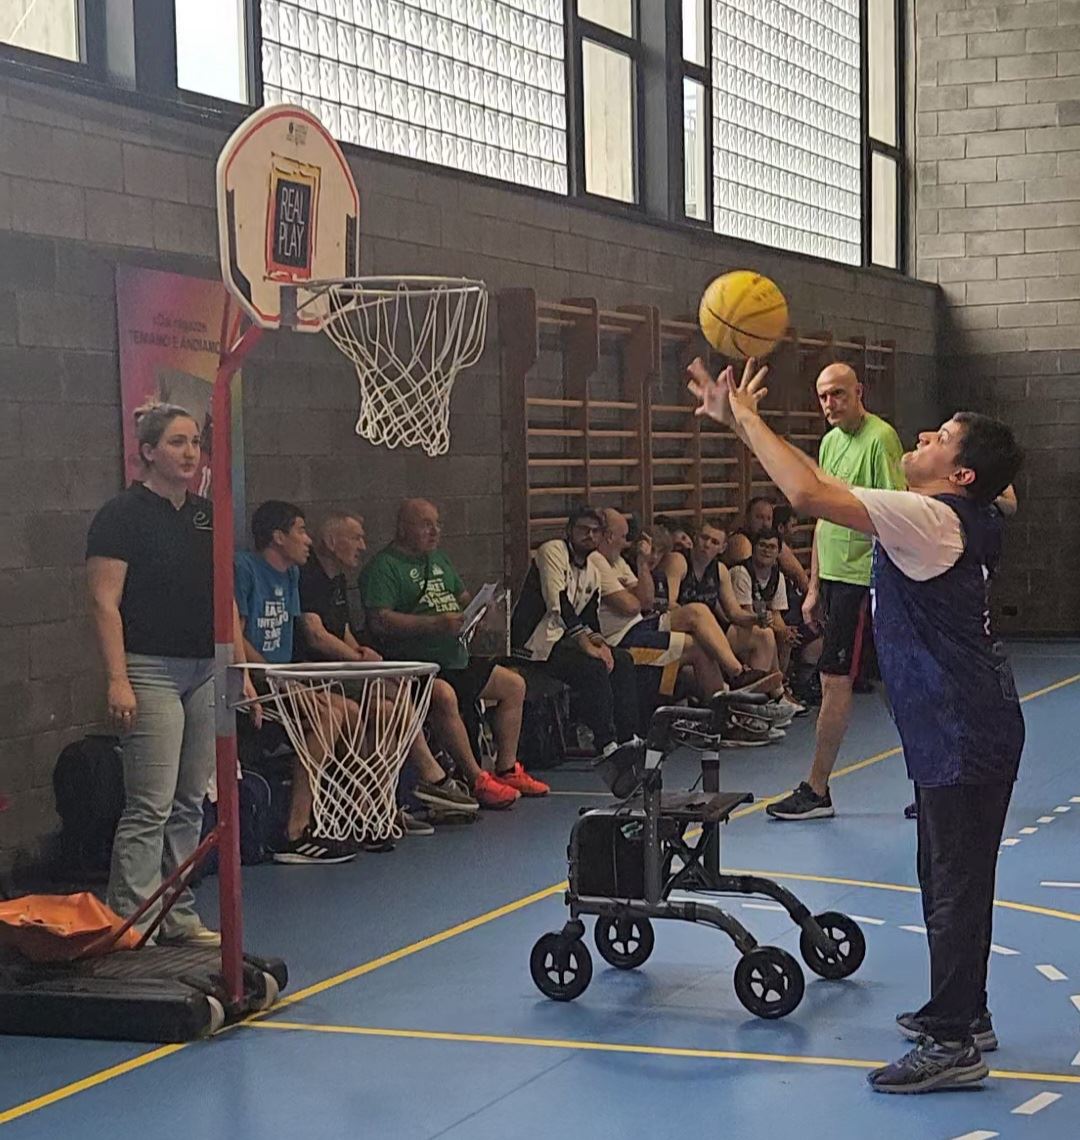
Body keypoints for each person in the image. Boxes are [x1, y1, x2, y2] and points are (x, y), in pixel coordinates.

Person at [689, 354, 1024, 1094]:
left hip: (963, 726)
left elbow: (806, 491)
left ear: (960, 476)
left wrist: (742, 414)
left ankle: (953, 1041)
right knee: (945, 875)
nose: (926, 436)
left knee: (955, 883)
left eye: (941, 438)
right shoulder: (960, 511)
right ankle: (966, 1015)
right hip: (960, 720)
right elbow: (1000, 497)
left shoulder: (930, 517)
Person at [87, 402, 257, 945]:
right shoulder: (121, 516)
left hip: (207, 669)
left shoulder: (207, 515)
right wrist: (118, 678)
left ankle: (176, 911)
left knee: (189, 802)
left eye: (194, 443)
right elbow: (104, 602)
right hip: (151, 671)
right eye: (178, 443)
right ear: (148, 452)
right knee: (151, 802)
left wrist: (239, 668)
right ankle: (131, 916)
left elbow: (222, 594)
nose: (190, 453)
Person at [765, 363, 906, 821]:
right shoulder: (829, 442)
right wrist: (812, 586)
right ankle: (937, 778)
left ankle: (817, 789)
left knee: (835, 679)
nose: (830, 404)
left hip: (865, 580)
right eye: (823, 396)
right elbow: (826, 514)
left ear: (859, 392)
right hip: (837, 581)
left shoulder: (880, 438)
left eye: (838, 394)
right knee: (892, 685)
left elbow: (893, 511)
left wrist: (885, 582)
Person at [296, 512, 479, 829]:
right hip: (316, 673)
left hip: (341, 670)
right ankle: (429, 772)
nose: (363, 546)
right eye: (356, 538)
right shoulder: (308, 577)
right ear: (330, 542)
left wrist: (358, 650)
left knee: (384, 712)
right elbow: (316, 635)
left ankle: (379, 808)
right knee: (391, 689)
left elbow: (340, 630)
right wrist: (359, 661)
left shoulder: (336, 579)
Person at [361, 499, 545, 807]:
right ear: (403, 528)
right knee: (444, 695)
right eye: (425, 524)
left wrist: (483, 613)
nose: (434, 531)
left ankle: (507, 767)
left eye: (437, 524)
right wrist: (435, 624)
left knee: (514, 685)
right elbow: (381, 621)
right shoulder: (384, 567)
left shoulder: (440, 560)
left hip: (455, 656)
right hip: (417, 665)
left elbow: (463, 598)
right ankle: (475, 777)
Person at [236, 500, 360, 863]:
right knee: (327, 718)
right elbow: (236, 637)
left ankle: (343, 811)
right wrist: (272, 678)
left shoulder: (291, 576)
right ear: (278, 537)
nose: (308, 540)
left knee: (349, 711)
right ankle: (295, 831)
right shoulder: (245, 568)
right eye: (301, 531)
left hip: (284, 679)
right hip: (255, 682)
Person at [593, 509, 781, 714]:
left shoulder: (619, 562)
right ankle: (738, 679)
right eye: (704, 538)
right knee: (697, 614)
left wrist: (757, 617)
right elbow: (650, 605)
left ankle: (747, 708)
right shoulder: (678, 561)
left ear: (722, 548)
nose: (707, 545)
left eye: (714, 542)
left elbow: (733, 613)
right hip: (642, 633)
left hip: (681, 629)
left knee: (763, 634)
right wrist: (634, 593)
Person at [510, 505, 641, 763]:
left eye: (595, 531)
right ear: (569, 530)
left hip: (563, 641)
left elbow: (590, 617)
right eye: (583, 529)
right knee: (592, 666)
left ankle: (629, 738)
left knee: (622, 660)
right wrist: (586, 644)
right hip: (533, 644)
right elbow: (557, 602)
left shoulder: (592, 569)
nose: (589, 536)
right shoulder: (552, 551)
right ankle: (606, 742)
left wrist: (600, 644)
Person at [729, 528, 800, 677]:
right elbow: (744, 615)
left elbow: (776, 613)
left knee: (786, 637)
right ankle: (770, 685)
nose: (766, 550)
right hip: (734, 628)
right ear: (754, 548)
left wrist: (784, 631)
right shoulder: (742, 572)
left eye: (772, 547)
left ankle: (780, 681)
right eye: (762, 545)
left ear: (778, 552)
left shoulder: (778, 576)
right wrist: (774, 628)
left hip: (760, 622)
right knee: (766, 634)